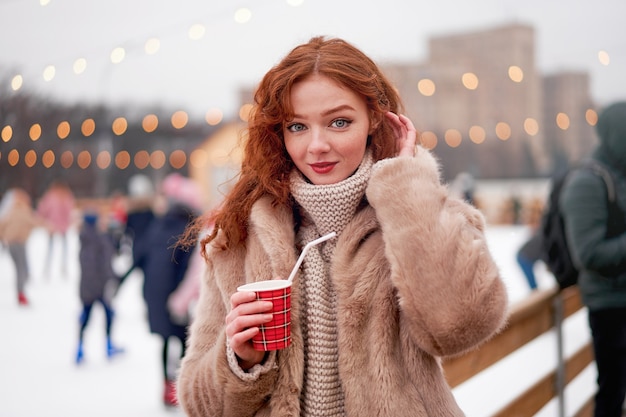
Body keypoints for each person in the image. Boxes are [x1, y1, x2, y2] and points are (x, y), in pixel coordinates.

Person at [177, 36, 508, 417]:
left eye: (339, 122)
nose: (316, 145)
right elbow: (198, 404)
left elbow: (461, 325)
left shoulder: (422, 212)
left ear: (374, 120)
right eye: (297, 126)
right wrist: (240, 360)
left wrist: (406, 189)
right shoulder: (240, 237)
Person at [559, 101, 626, 417]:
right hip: (610, 306)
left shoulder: (619, 173)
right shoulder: (587, 182)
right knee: (613, 391)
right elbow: (588, 253)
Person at [132, 172, 202, 407]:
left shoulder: (158, 225)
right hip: (174, 295)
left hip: (155, 293)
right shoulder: (188, 230)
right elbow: (187, 269)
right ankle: (180, 386)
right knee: (183, 340)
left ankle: (166, 385)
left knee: (165, 340)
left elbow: (140, 256)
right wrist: (182, 298)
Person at [75, 210, 124, 365]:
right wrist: (114, 278)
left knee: (86, 316)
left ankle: (80, 347)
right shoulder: (101, 239)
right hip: (101, 286)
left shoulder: (84, 238)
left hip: (86, 286)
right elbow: (106, 264)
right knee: (109, 315)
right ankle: (109, 345)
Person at [0, 188, 44, 306]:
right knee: (22, 269)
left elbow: (2, 225)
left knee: (19, 268)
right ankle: (21, 293)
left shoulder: (11, 211)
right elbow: (35, 221)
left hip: (11, 244)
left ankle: (21, 291)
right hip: (19, 244)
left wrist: (3, 237)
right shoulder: (25, 211)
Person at [36, 180, 76, 277]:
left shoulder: (51, 197)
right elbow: (69, 211)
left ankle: (53, 269)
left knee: (55, 248)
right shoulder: (64, 197)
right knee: (58, 248)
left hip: (54, 226)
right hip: (58, 226)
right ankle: (55, 269)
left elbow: (42, 210)